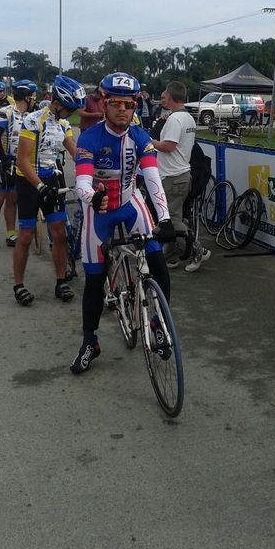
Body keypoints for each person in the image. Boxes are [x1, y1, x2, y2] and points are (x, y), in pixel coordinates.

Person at [70, 72, 175, 374]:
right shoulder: (90, 137)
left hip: (130, 205)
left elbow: (153, 178)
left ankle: (157, 323)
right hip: (98, 212)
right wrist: (91, 198)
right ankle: (90, 341)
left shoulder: (139, 137)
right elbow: (82, 182)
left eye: (128, 105)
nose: (122, 110)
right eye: (115, 103)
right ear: (103, 104)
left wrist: (164, 218)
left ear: (135, 106)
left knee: (157, 262)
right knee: (93, 280)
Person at [12, 75, 86, 306]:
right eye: (71, 109)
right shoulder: (33, 120)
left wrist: (96, 169)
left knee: (59, 232)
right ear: (59, 103)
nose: (72, 115)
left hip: (50, 179)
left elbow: (77, 154)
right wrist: (40, 186)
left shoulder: (63, 125)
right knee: (25, 235)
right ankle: (18, 284)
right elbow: (21, 160)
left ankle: (60, 281)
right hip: (28, 182)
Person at [151, 81, 211, 272]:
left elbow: (168, 146)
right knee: (171, 217)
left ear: (170, 97)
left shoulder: (175, 120)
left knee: (171, 220)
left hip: (173, 176)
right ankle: (170, 256)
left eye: (164, 96)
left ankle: (198, 249)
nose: (162, 99)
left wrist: (149, 141)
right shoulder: (188, 118)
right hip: (181, 174)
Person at [0, 80, 36, 252]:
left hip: (18, 161)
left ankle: (10, 233)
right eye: (33, 96)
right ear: (26, 97)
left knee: (13, 197)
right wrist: (4, 160)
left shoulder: (31, 115)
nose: (34, 99)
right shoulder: (5, 112)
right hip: (1, 159)